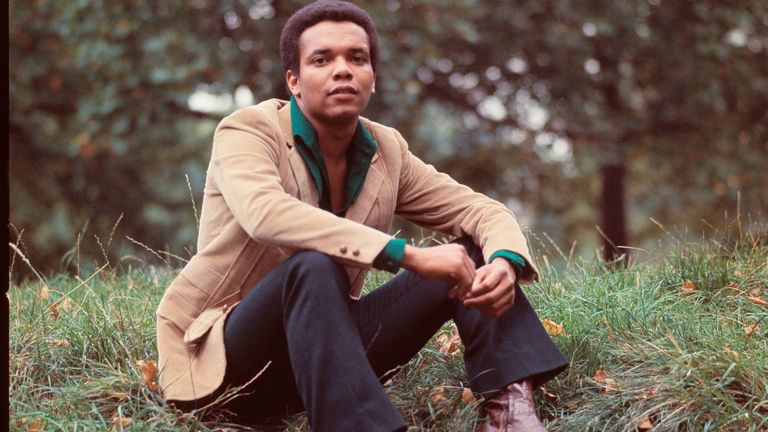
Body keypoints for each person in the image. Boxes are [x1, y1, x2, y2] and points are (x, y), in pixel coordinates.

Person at [155, 1, 568, 430]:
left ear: (373, 77)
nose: (342, 70)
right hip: (229, 365)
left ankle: (508, 411)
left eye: (357, 58)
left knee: (472, 254)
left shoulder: (386, 150)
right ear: (293, 81)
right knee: (311, 267)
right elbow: (265, 213)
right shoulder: (248, 131)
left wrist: (503, 261)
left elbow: (480, 210)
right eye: (322, 59)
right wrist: (406, 255)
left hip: (329, 357)